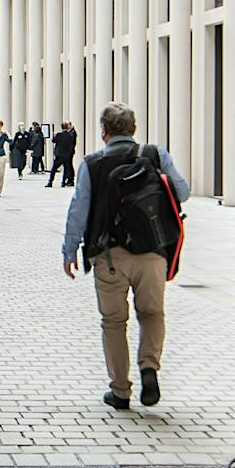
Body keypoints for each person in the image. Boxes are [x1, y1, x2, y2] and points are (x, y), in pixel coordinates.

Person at [63, 102, 189, 409]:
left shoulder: (92, 163)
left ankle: (120, 391)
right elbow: (183, 192)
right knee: (152, 313)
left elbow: (79, 209)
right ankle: (149, 368)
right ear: (133, 129)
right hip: (153, 253)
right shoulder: (155, 155)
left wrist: (69, 250)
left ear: (103, 131)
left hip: (109, 255)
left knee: (114, 322)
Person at [46, 120, 78, 189]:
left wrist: (54, 136)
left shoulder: (59, 135)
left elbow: (53, 141)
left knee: (54, 169)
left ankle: (50, 182)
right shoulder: (70, 136)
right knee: (66, 169)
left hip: (59, 155)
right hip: (66, 155)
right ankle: (63, 182)